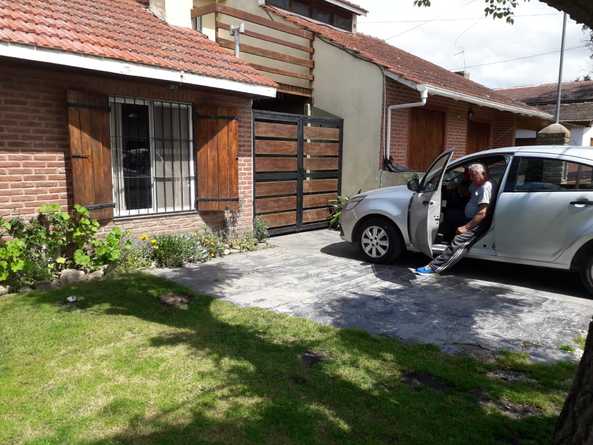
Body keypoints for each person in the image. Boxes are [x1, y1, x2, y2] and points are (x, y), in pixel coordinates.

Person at [414, 163, 493, 276]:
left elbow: (482, 213)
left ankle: (434, 267)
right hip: (468, 216)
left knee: (459, 241)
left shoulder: (485, 187)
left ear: (484, 174)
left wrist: (465, 228)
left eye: (473, 176)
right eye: (469, 175)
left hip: (477, 222)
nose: (471, 178)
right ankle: (443, 238)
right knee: (450, 215)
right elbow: (467, 192)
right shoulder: (477, 184)